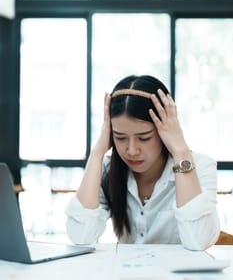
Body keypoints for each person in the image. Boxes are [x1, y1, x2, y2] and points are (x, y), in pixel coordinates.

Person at [65, 75, 220, 250]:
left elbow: (198, 241)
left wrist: (180, 150)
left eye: (144, 138)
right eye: (120, 137)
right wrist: (96, 154)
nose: (132, 150)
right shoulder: (108, 170)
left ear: (165, 131)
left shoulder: (200, 167)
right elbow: (80, 237)